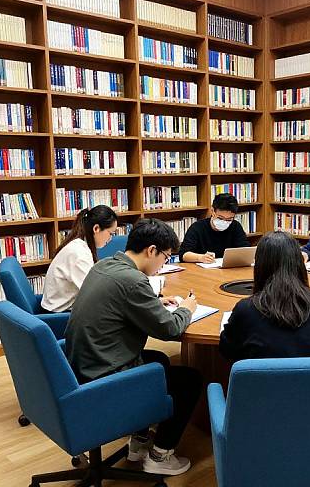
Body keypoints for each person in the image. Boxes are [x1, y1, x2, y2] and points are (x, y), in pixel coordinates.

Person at [65, 218, 202, 476]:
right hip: (105, 376)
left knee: (159, 360)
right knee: (190, 379)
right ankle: (161, 455)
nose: (165, 263)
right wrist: (186, 309)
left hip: (83, 366)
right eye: (166, 257)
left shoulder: (105, 265)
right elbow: (169, 329)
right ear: (151, 250)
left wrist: (157, 302)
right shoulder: (133, 281)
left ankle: (138, 443)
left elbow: (121, 303)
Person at [220, 231, 310, 360]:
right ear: (299, 263)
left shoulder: (246, 310)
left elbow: (228, 351)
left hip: (264, 380)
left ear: (260, 266)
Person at [41, 205, 118, 312]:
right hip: (59, 315)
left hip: (61, 308)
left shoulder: (80, 244)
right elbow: (93, 293)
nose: (110, 239)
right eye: (111, 233)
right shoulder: (79, 253)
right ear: (96, 228)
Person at [179, 193, 250, 263]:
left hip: (229, 270)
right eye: (220, 218)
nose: (224, 222)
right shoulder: (197, 227)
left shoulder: (235, 226)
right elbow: (183, 255)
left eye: (229, 219)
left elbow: (246, 251)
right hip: (202, 271)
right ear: (212, 211)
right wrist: (200, 257)